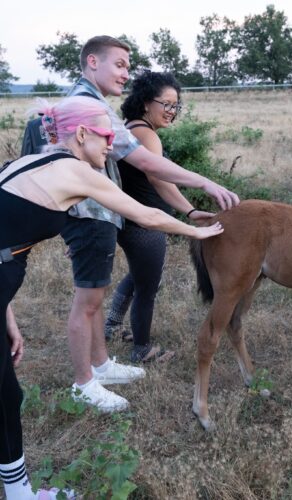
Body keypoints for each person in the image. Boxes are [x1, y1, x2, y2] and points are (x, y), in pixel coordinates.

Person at [0, 95, 223, 499]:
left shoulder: (26, 163)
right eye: (106, 136)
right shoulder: (74, 170)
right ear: (82, 134)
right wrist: (198, 232)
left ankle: (19, 493)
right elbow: (144, 214)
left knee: (8, 394)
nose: (111, 145)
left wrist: (7, 315)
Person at [21, 36, 239, 411]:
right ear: (92, 61)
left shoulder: (87, 101)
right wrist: (203, 181)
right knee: (87, 301)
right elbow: (148, 164)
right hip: (88, 211)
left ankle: (102, 364)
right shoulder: (90, 108)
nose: (126, 73)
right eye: (119, 64)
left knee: (96, 295)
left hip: (97, 212)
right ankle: (84, 382)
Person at [105, 71, 212, 362]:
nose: (172, 111)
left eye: (175, 105)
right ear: (144, 102)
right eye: (166, 104)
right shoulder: (147, 135)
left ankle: (112, 325)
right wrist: (189, 210)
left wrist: (187, 209)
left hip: (130, 219)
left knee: (138, 276)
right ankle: (142, 348)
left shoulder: (132, 128)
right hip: (144, 223)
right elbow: (159, 180)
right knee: (148, 286)